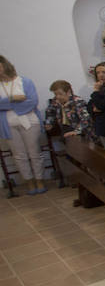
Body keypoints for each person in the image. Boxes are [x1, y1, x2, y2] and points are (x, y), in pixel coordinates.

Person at [0, 55, 45, 194]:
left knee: (34, 153)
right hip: (8, 124)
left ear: (5, 65)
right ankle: (29, 181)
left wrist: (7, 105)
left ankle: (39, 180)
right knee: (19, 155)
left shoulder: (24, 81)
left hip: (29, 121)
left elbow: (32, 102)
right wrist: (15, 99)